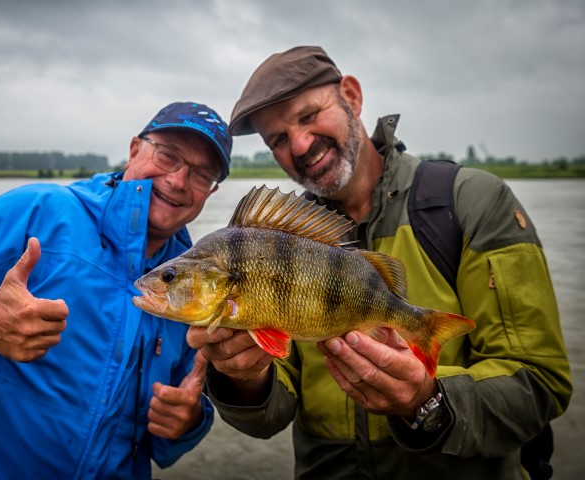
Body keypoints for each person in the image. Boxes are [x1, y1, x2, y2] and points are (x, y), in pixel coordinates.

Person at [187, 46, 572, 479]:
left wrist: (429, 400)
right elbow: (270, 416)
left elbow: (541, 385)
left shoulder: (472, 202)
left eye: (309, 115)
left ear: (351, 96)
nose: (299, 143)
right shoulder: (278, 239)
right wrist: (244, 378)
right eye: (277, 139)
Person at [0, 101, 232, 479]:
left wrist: (187, 423)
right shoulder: (38, 212)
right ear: (135, 149)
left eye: (202, 174)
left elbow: (165, 435)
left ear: (211, 191)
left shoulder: (196, 284)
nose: (178, 180)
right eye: (168, 155)